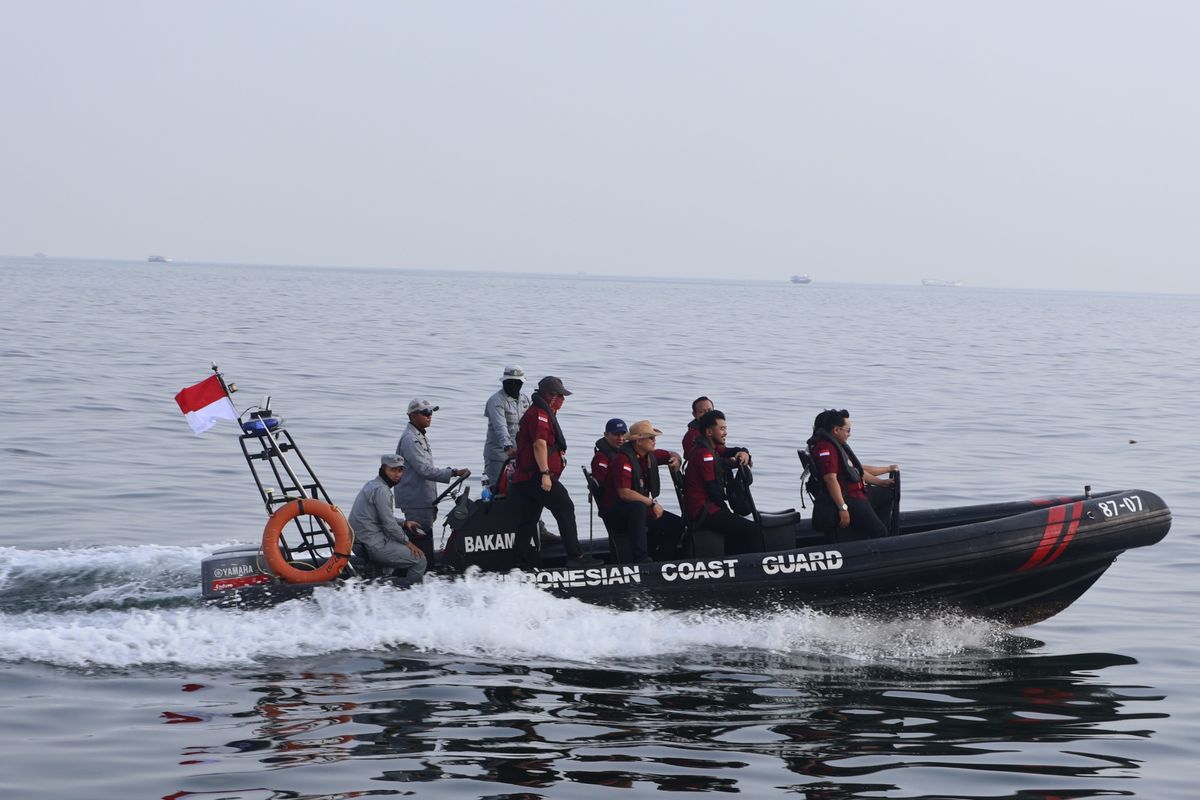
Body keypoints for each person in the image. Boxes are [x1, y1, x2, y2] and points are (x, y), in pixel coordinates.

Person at [510, 376, 601, 568]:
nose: (563, 400)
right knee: (565, 507)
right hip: (536, 476)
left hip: (526, 477)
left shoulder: (541, 412)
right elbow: (539, 445)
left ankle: (519, 562)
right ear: (550, 395)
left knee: (528, 519)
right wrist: (545, 473)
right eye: (560, 396)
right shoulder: (540, 414)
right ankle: (575, 557)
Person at [395, 398, 471, 563]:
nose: (430, 416)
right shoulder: (410, 439)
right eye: (426, 413)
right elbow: (424, 469)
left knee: (425, 538)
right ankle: (418, 573)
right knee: (420, 542)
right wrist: (454, 472)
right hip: (416, 500)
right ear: (413, 415)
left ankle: (425, 568)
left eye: (431, 413)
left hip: (424, 498)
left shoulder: (419, 435)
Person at [806, 409, 898, 540]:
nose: (850, 434)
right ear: (836, 430)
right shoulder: (825, 448)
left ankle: (870, 528)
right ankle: (876, 540)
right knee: (879, 532)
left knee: (887, 494)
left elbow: (855, 471)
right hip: (849, 498)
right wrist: (843, 508)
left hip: (858, 493)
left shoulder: (837, 445)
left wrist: (883, 480)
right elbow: (830, 480)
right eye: (847, 430)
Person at [603, 420, 684, 562]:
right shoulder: (623, 460)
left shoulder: (649, 455)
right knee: (638, 507)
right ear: (639, 441)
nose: (654, 441)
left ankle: (661, 560)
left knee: (676, 524)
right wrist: (652, 503)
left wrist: (676, 459)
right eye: (651, 438)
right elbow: (624, 493)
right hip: (617, 512)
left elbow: (671, 454)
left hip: (639, 509)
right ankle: (640, 558)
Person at [682, 409, 760, 551]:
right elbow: (712, 489)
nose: (725, 433)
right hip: (703, 510)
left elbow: (731, 450)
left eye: (725, 429)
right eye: (722, 429)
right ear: (709, 432)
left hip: (706, 507)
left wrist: (744, 452)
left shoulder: (709, 448)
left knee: (735, 526)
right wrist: (727, 511)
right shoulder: (705, 454)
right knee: (752, 530)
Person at [348, 454, 427, 582]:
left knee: (392, 558)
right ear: (383, 469)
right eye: (393, 470)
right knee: (420, 560)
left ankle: (380, 580)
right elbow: (389, 525)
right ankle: (412, 595)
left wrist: (404, 523)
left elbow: (381, 518)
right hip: (371, 545)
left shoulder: (372, 484)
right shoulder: (382, 491)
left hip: (359, 542)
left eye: (400, 470)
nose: (397, 474)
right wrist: (408, 543)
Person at [483, 365, 531, 489]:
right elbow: (500, 426)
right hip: (499, 455)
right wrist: (507, 447)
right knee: (498, 490)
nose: (514, 386)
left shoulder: (524, 400)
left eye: (517, 383)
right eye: (510, 382)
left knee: (518, 491)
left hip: (519, 455)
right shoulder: (496, 401)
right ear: (504, 381)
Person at [589, 417, 628, 492]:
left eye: (623, 434)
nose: (620, 438)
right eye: (616, 434)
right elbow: (602, 484)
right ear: (606, 435)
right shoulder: (601, 457)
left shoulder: (626, 453)